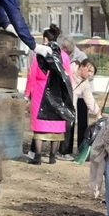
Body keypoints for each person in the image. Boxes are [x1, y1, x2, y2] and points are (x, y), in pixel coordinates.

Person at [24, 24, 71, 165]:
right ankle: (52, 156)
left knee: (40, 125)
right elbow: (68, 77)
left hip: (40, 89)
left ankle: (37, 156)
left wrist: (27, 93)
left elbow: (32, 75)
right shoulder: (64, 56)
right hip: (58, 92)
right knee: (56, 125)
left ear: (45, 39)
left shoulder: (40, 55)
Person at [64, 58, 99, 161]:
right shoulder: (69, 70)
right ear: (82, 66)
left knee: (69, 127)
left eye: (92, 72)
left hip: (70, 109)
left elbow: (90, 99)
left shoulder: (85, 83)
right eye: (89, 71)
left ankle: (64, 152)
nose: (90, 74)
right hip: (60, 104)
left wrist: (97, 113)